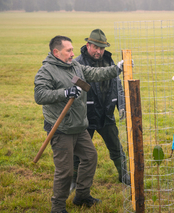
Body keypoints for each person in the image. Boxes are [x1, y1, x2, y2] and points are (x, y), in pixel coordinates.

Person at [34, 35, 125, 213]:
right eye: (68, 50)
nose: (72, 53)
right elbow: (40, 95)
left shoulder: (75, 66)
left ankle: (82, 196)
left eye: (72, 50)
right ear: (56, 52)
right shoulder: (46, 71)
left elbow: (94, 73)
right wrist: (65, 92)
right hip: (61, 129)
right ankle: (58, 207)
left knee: (90, 157)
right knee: (65, 171)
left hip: (79, 126)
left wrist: (116, 69)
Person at [70, 29, 130, 193]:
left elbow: (118, 86)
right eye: (95, 47)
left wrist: (122, 105)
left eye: (101, 48)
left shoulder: (109, 62)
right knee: (78, 152)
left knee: (116, 148)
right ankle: (73, 181)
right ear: (88, 45)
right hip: (85, 116)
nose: (99, 51)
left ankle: (124, 175)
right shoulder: (77, 63)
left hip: (106, 114)